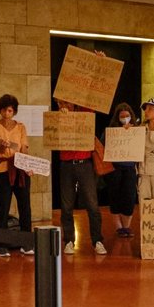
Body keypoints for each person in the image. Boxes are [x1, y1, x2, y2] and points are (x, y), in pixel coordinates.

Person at [56, 99, 107, 255]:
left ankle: (97, 240)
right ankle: (69, 241)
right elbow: (51, 134)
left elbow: (92, 103)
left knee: (92, 204)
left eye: (67, 103)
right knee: (66, 205)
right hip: (66, 164)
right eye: (61, 103)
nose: (65, 105)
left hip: (85, 164)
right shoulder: (58, 117)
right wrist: (62, 117)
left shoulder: (86, 113)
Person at [0, 93, 32, 256]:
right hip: (2, 170)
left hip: (20, 169)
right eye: (5, 110)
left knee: (25, 205)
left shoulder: (21, 127)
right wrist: (1, 146)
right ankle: (1, 243)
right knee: (4, 205)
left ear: (14, 111)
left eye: (11, 111)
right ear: (0, 111)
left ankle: (27, 242)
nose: (8, 113)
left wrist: (27, 164)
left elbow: (24, 147)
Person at [103, 103, 139, 238]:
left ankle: (126, 226)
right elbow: (102, 147)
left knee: (129, 197)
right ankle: (119, 228)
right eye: (122, 116)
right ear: (117, 118)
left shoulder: (136, 130)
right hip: (114, 168)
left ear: (131, 116)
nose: (125, 118)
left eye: (127, 116)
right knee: (115, 197)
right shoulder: (111, 131)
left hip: (130, 168)